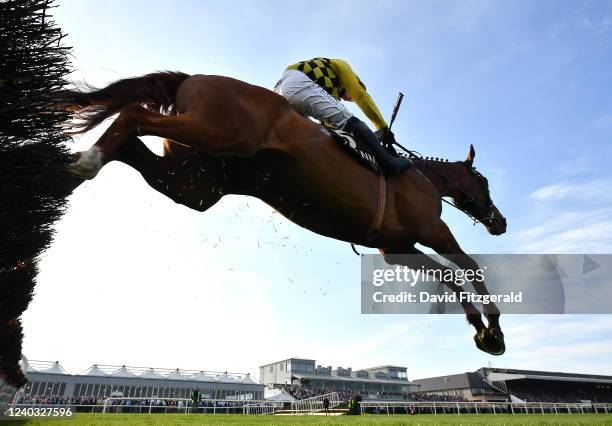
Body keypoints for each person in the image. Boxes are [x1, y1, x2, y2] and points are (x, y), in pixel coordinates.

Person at [274, 58, 411, 175]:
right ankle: (390, 163)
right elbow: (361, 96)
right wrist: (383, 127)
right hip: (297, 82)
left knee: (320, 136)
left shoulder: (327, 91)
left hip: (281, 90)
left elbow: (330, 128)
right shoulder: (342, 66)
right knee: (348, 119)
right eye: (349, 97)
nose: (349, 99)